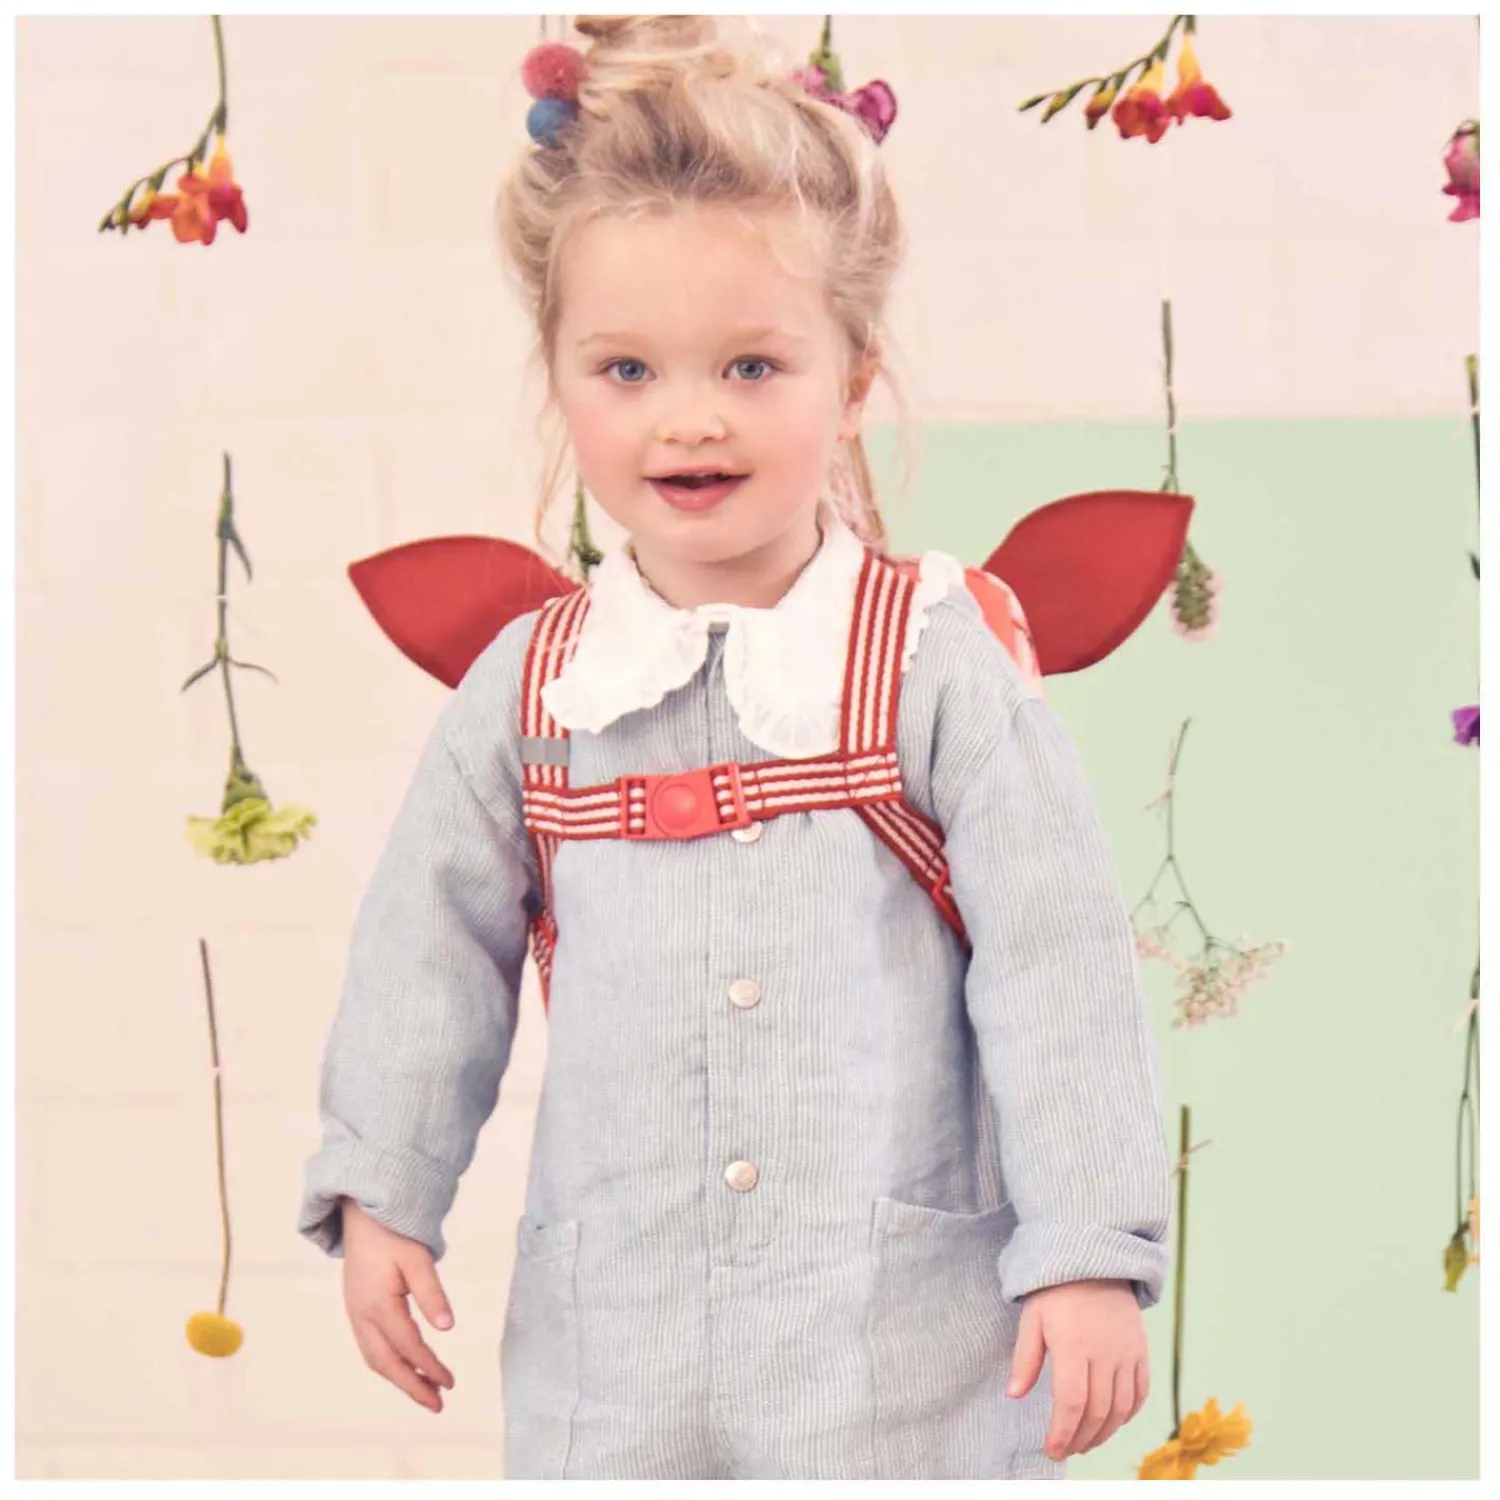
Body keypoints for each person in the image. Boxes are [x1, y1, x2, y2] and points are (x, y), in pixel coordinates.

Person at [298, 14, 1171, 1481]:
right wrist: (385, 1188)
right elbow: (424, 950)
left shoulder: (937, 662)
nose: (690, 419)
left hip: (897, 1357)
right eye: (627, 370)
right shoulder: (535, 690)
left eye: (755, 366)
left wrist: (1087, 1249)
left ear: (854, 374)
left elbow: (1057, 964)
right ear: (559, 376)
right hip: (616, 1360)